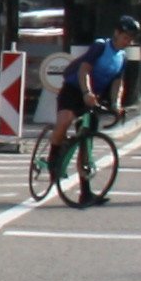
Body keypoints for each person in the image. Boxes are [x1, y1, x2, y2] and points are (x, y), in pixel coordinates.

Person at [42, 17, 133, 189]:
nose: (128, 41)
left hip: (92, 98)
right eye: (125, 37)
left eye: (131, 38)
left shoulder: (122, 57)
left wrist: (116, 104)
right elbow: (84, 70)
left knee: (86, 144)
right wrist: (86, 92)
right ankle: (53, 158)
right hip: (74, 88)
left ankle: (86, 192)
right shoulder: (100, 46)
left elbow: (117, 83)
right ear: (116, 33)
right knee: (65, 119)